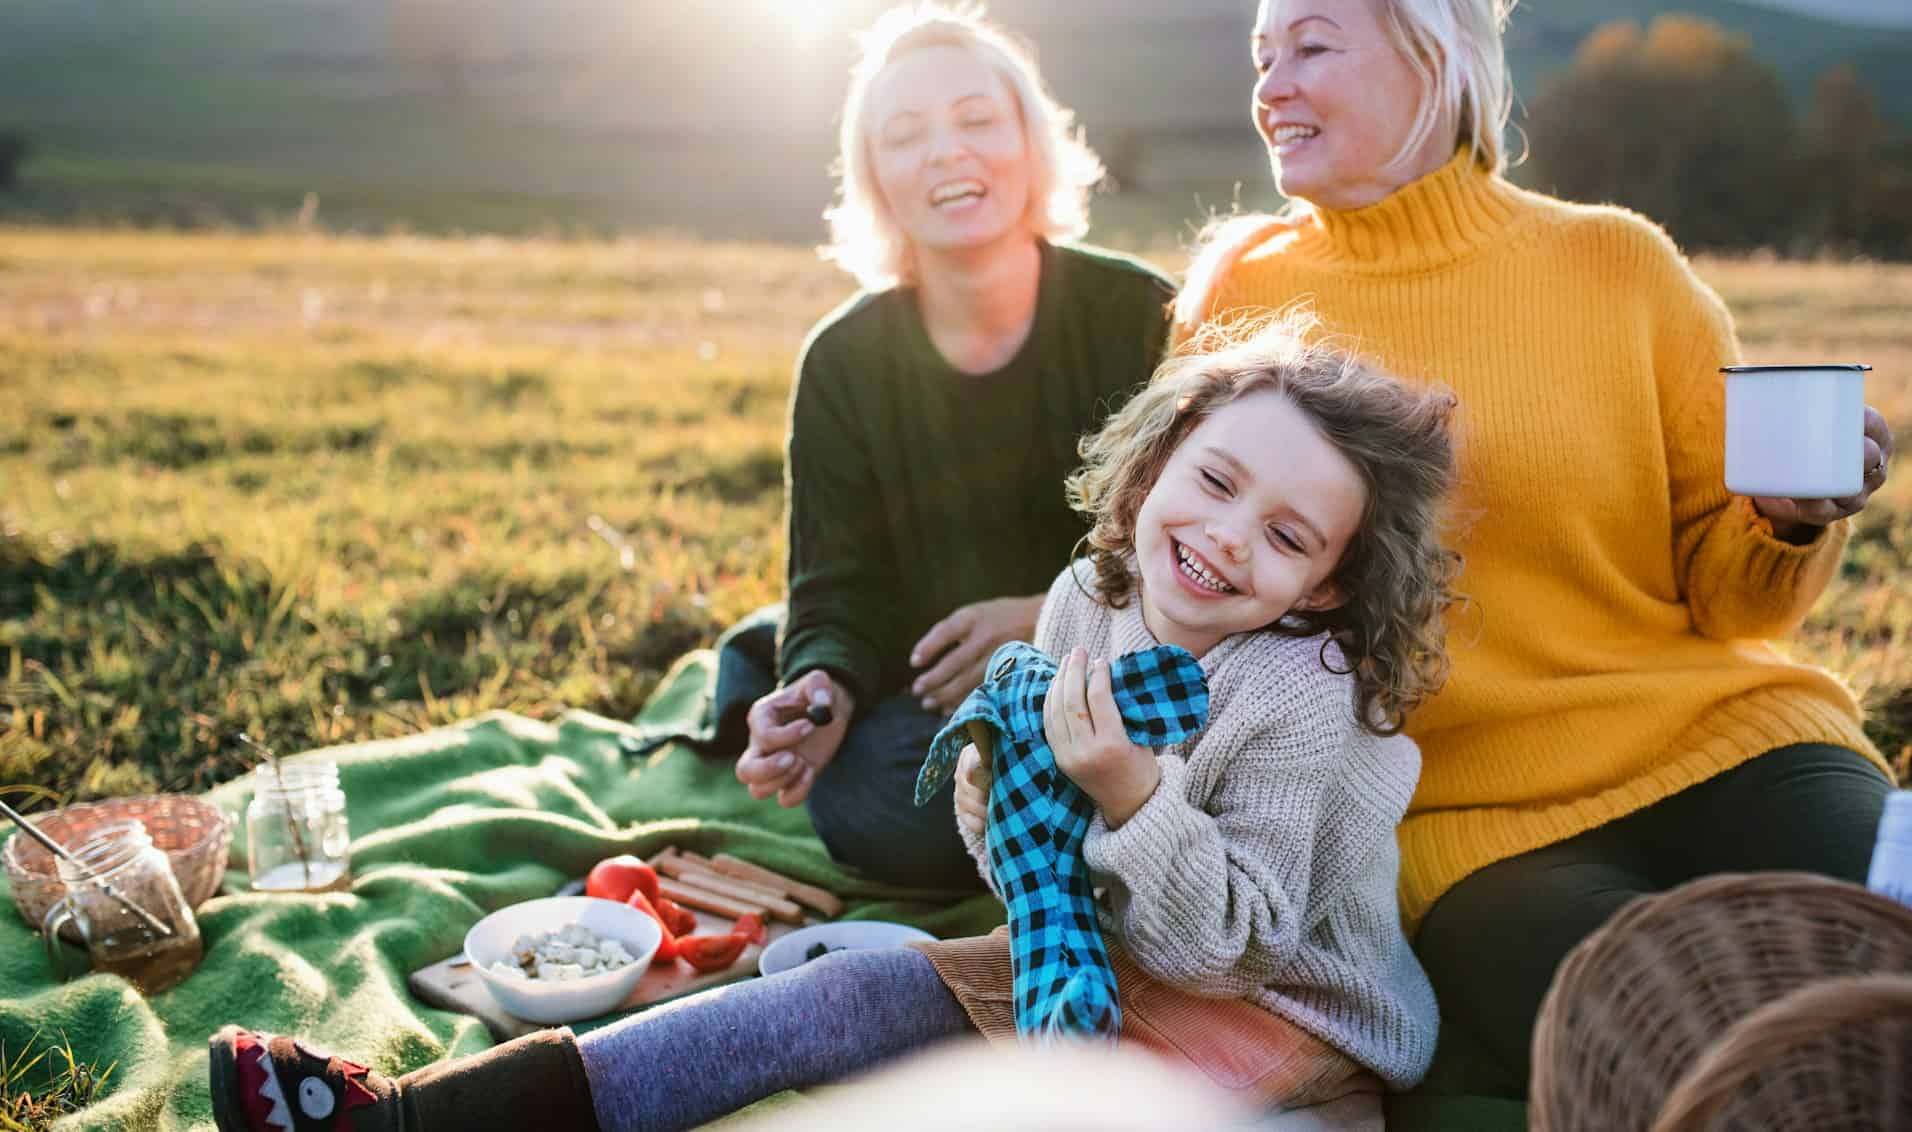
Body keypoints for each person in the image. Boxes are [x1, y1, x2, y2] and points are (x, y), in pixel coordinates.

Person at [205, 313, 1460, 1132]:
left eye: (1288, 536)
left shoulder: (1306, 703)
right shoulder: (1089, 596)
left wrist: (1131, 794)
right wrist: (1002, 773)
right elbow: (1013, 851)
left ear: (1332, 584)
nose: (1227, 536)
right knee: (825, 1004)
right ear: (1161, 463)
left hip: (1281, 1026)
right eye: (1215, 480)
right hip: (1090, 970)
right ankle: (410, 1118)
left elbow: (1224, 955)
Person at [1173, 0, 1899, 1099]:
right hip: (1464, 811)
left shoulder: (1621, 266)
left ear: (1438, 62)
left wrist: (1789, 521)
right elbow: (1196, 561)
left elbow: (1731, 600)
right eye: (1263, 57)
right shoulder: (1243, 293)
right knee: (1676, 1030)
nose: (1272, 87)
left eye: (1310, 48)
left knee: (1888, 938)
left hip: (1722, 736)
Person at [721, 0, 1176, 890]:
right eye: (905, 135)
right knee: (862, 800)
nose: (945, 153)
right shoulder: (844, 361)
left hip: (1118, 678)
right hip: (935, 706)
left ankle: (1055, 820)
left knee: (1180, 744)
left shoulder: (1140, 318)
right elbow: (834, 588)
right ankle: (1072, 832)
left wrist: (1049, 611)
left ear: (1031, 143)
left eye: (976, 121)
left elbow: (1195, 552)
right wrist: (822, 692)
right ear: (876, 179)